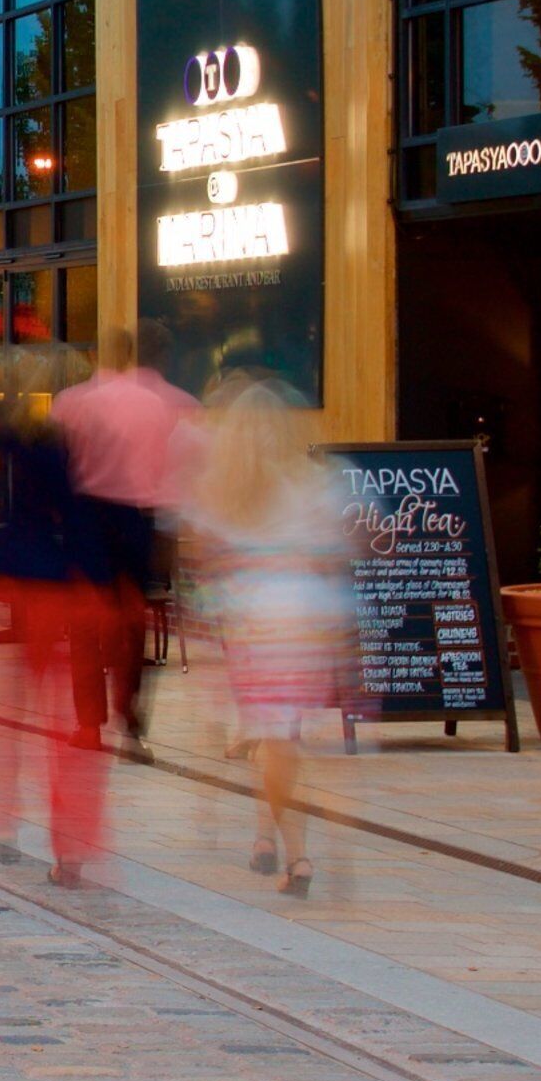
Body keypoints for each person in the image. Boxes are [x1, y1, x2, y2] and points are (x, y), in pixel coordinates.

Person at [181, 375, 353, 898]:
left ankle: (296, 853)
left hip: (256, 626)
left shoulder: (222, 491)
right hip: (307, 622)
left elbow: (203, 564)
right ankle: (264, 837)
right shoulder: (312, 483)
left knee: (275, 739)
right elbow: (340, 550)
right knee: (281, 736)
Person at [0, 345, 110, 885]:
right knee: (58, 724)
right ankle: (68, 847)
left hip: (24, 582)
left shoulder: (30, 442)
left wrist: (14, 385)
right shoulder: (73, 446)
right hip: (65, 582)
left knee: (7, 715)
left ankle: (4, 824)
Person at [55, 327, 197, 759]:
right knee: (132, 623)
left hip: (88, 517)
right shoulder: (157, 406)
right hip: (136, 517)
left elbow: (61, 463)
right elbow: (164, 466)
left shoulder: (72, 402)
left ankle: (88, 724)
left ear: (98, 354)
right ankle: (130, 722)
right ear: (132, 357)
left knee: (84, 624)